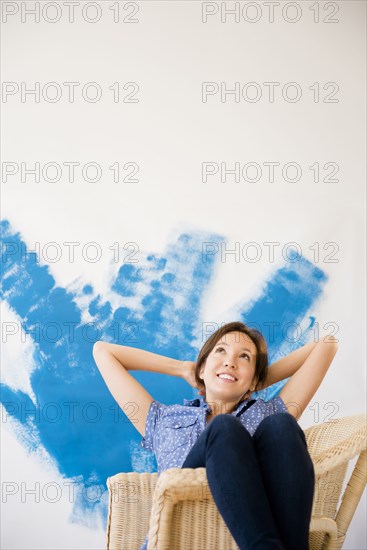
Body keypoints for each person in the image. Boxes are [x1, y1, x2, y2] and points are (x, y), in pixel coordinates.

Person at [93, 321, 339, 550]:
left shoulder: (267, 414)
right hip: (179, 534)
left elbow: (326, 344)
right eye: (221, 351)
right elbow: (103, 352)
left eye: (244, 357)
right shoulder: (163, 419)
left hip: (248, 529)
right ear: (202, 367)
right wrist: (183, 368)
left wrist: (252, 380)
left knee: (281, 425)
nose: (230, 361)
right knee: (223, 427)